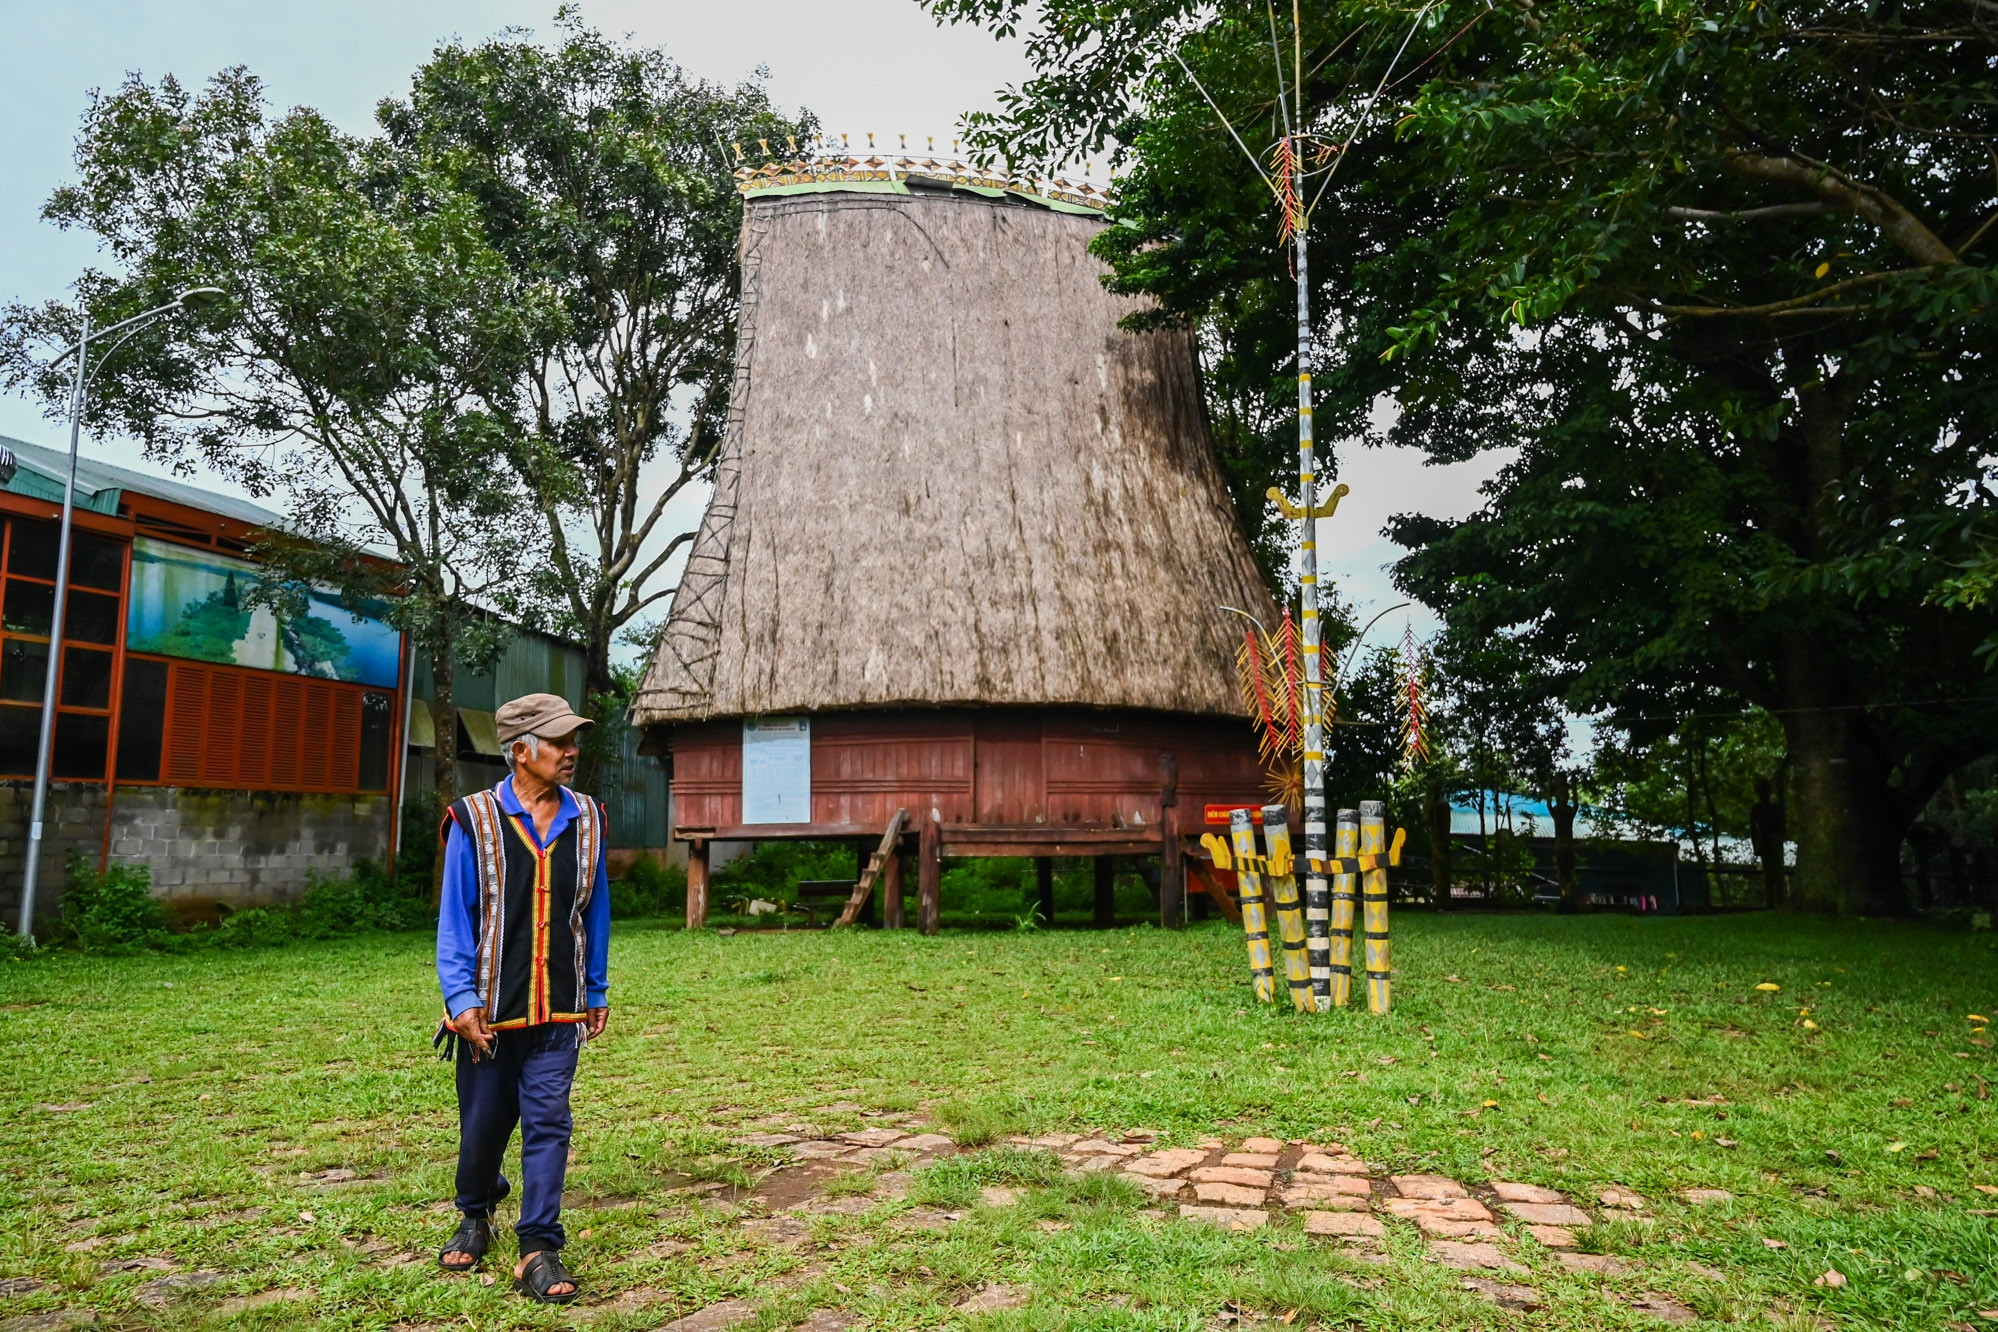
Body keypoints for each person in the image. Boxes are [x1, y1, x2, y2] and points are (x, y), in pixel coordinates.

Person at [434, 693, 609, 1304]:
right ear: (520, 751)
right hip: (491, 1007)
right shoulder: (474, 820)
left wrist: (596, 986)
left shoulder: (586, 817)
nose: (570, 752)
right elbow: (455, 918)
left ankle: (538, 1244)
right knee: (483, 1128)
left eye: (571, 741)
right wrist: (460, 998)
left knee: (548, 1122)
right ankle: (475, 1210)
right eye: (559, 742)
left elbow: (596, 911)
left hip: (560, 1006)